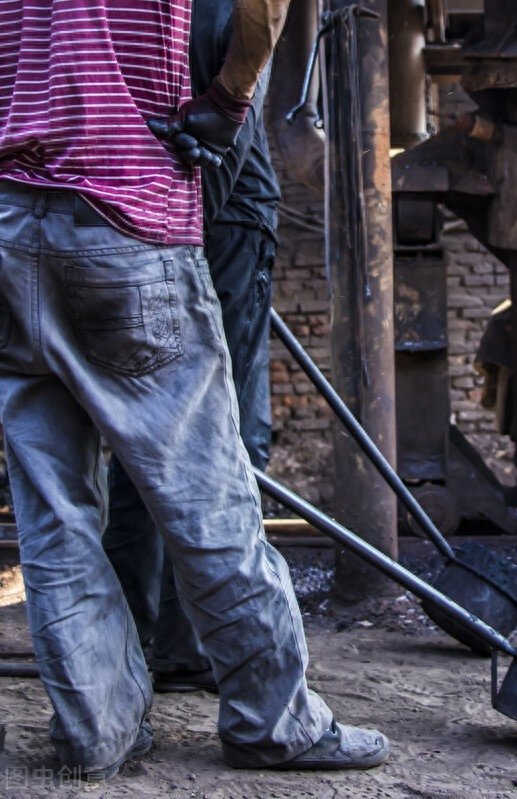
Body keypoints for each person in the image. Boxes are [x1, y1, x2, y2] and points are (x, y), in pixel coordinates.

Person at [0, 0, 388, 778]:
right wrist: (227, 102)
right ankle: (272, 720)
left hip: (11, 224)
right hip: (127, 216)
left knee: (53, 512)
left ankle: (96, 731)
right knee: (207, 494)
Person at [102, 0, 280, 695]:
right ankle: (191, 642)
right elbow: (262, 21)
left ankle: (144, 640)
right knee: (224, 436)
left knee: (143, 427)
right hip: (201, 201)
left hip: (162, 202)